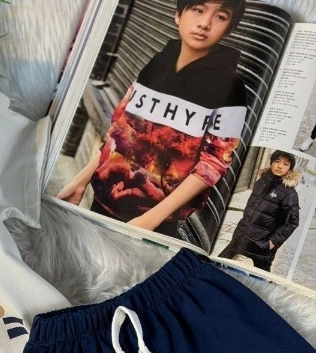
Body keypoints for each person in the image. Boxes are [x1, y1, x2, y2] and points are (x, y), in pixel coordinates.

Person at [58, 1, 248, 237]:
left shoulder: (231, 88)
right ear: (178, 15)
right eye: (198, 10)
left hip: (153, 224)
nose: (205, 23)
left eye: (220, 17)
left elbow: (214, 164)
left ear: (229, 30)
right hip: (103, 200)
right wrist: (80, 181)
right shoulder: (157, 64)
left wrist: (150, 220)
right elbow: (119, 132)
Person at [216, 150, 301, 272]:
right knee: (218, 263)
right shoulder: (261, 182)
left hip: (262, 245)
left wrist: (272, 242)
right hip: (242, 236)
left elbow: (292, 222)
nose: (280, 166)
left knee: (261, 276)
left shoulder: (289, 193)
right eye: (277, 161)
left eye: (285, 164)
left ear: (290, 169)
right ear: (271, 163)